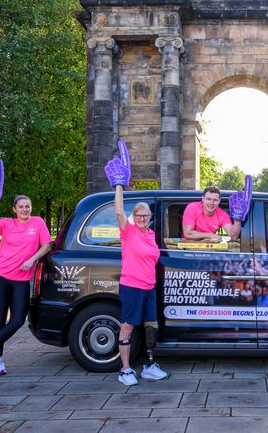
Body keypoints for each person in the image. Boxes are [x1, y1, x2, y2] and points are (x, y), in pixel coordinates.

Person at [0, 159, 52, 376]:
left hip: (20, 280)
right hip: (0, 278)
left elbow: (47, 245)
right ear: (14, 209)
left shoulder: (38, 223)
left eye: (28, 206)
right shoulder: (7, 223)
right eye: (21, 207)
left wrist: (33, 259)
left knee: (17, 320)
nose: (25, 209)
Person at [106, 141, 168, 386]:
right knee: (128, 327)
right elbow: (119, 211)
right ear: (135, 217)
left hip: (149, 287)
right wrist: (119, 184)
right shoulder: (129, 231)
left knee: (150, 326)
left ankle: (150, 365)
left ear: (150, 219)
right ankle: (125, 369)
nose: (142, 218)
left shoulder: (149, 234)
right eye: (139, 215)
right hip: (132, 285)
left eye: (146, 216)